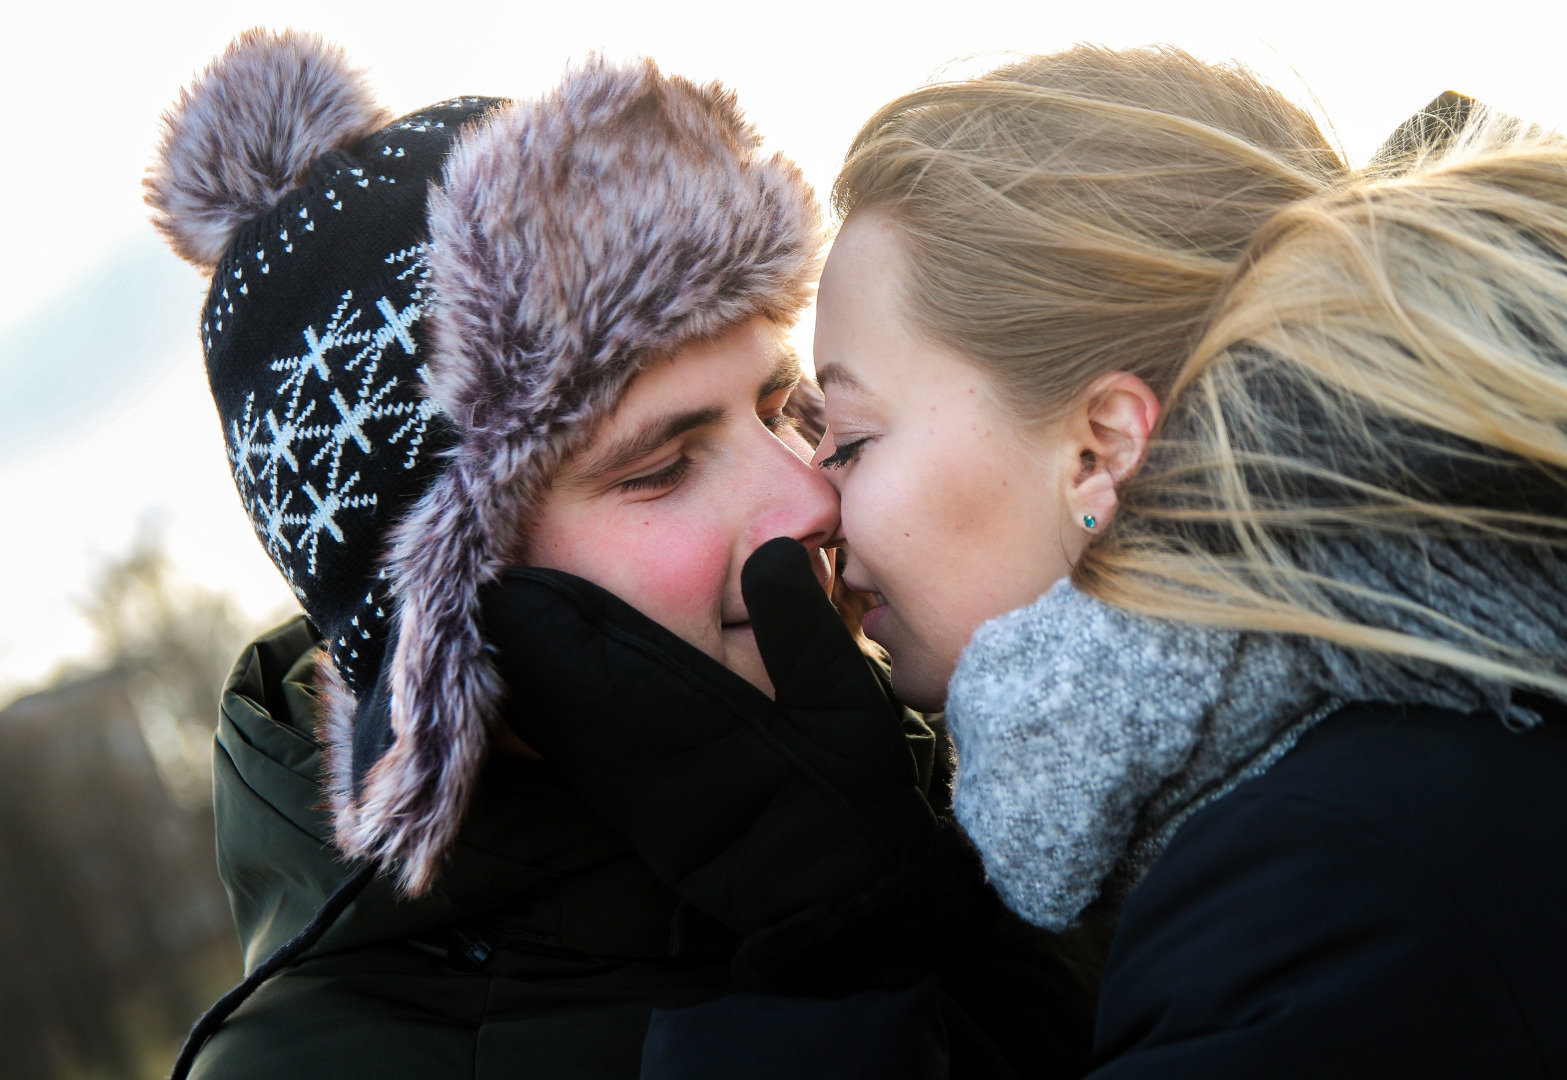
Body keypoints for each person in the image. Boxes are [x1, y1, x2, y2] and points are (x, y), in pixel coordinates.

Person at [146, 29, 1092, 1080]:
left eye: (783, 412)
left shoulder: (945, 778)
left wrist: (922, 920)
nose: (810, 493)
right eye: (661, 468)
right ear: (448, 610)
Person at [809, 44, 1567, 1074]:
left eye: (848, 438)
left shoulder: (1332, 895)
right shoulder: (1402, 758)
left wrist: (802, 1009)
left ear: (1101, 447)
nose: (814, 497)